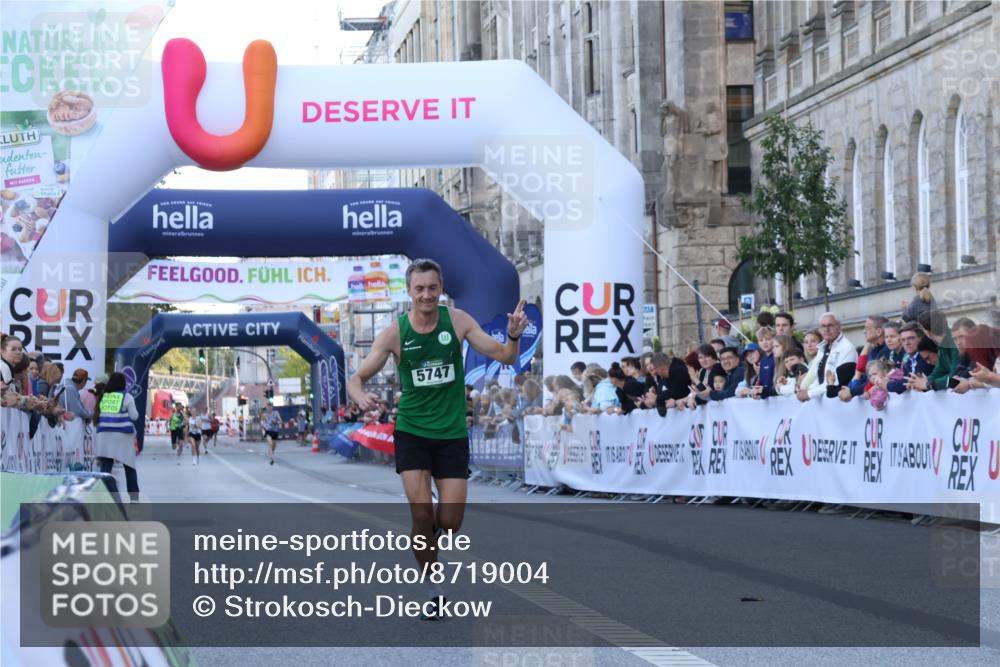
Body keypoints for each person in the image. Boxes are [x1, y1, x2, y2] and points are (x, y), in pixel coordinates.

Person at [346, 258, 527, 620]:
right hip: (412, 430)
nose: (426, 295)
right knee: (421, 511)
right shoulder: (394, 333)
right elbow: (357, 378)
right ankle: (433, 585)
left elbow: (505, 355)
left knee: (451, 519)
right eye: (419, 289)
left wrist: (514, 334)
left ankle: (433, 534)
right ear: (409, 291)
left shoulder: (458, 322)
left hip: (451, 432)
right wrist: (361, 397)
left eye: (432, 288)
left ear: (441, 288)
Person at [92, 372, 140, 500]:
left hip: (104, 436)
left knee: (106, 467)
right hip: (122, 436)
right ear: (123, 383)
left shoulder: (103, 396)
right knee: (129, 466)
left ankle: (104, 495)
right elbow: (134, 416)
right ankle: (134, 497)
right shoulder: (127, 397)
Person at [798, 313, 857, 401]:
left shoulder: (846, 348)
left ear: (839, 327)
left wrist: (809, 393)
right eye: (823, 326)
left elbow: (835, 381)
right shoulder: (823, 348)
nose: (826, 329)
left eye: (830, 325)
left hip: (840, 402)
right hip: (825, 402)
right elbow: (819, 378)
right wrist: (807, 390)